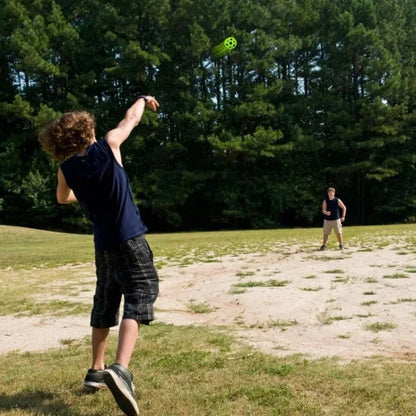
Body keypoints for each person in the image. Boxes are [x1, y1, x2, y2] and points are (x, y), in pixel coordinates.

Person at [38, 95, 160, 416]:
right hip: (130, 239)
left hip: (103, 245)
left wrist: (86, 190)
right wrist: (143, 100)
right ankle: (120, 369)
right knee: (141, 293)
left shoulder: (67, 169)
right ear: (88, 130)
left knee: (106, 300)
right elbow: (130, 120)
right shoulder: (109, 145)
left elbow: (63, 199)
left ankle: (95, 370)